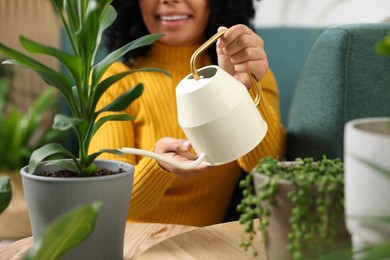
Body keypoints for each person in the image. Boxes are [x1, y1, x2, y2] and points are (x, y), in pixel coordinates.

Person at [89, 0, 286, 227]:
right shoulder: (111, 80)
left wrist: (238, 92)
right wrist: (158, 167)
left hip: (202, 246)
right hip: (125, 243)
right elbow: (108, 199)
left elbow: (268, 167)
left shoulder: (245, 70)